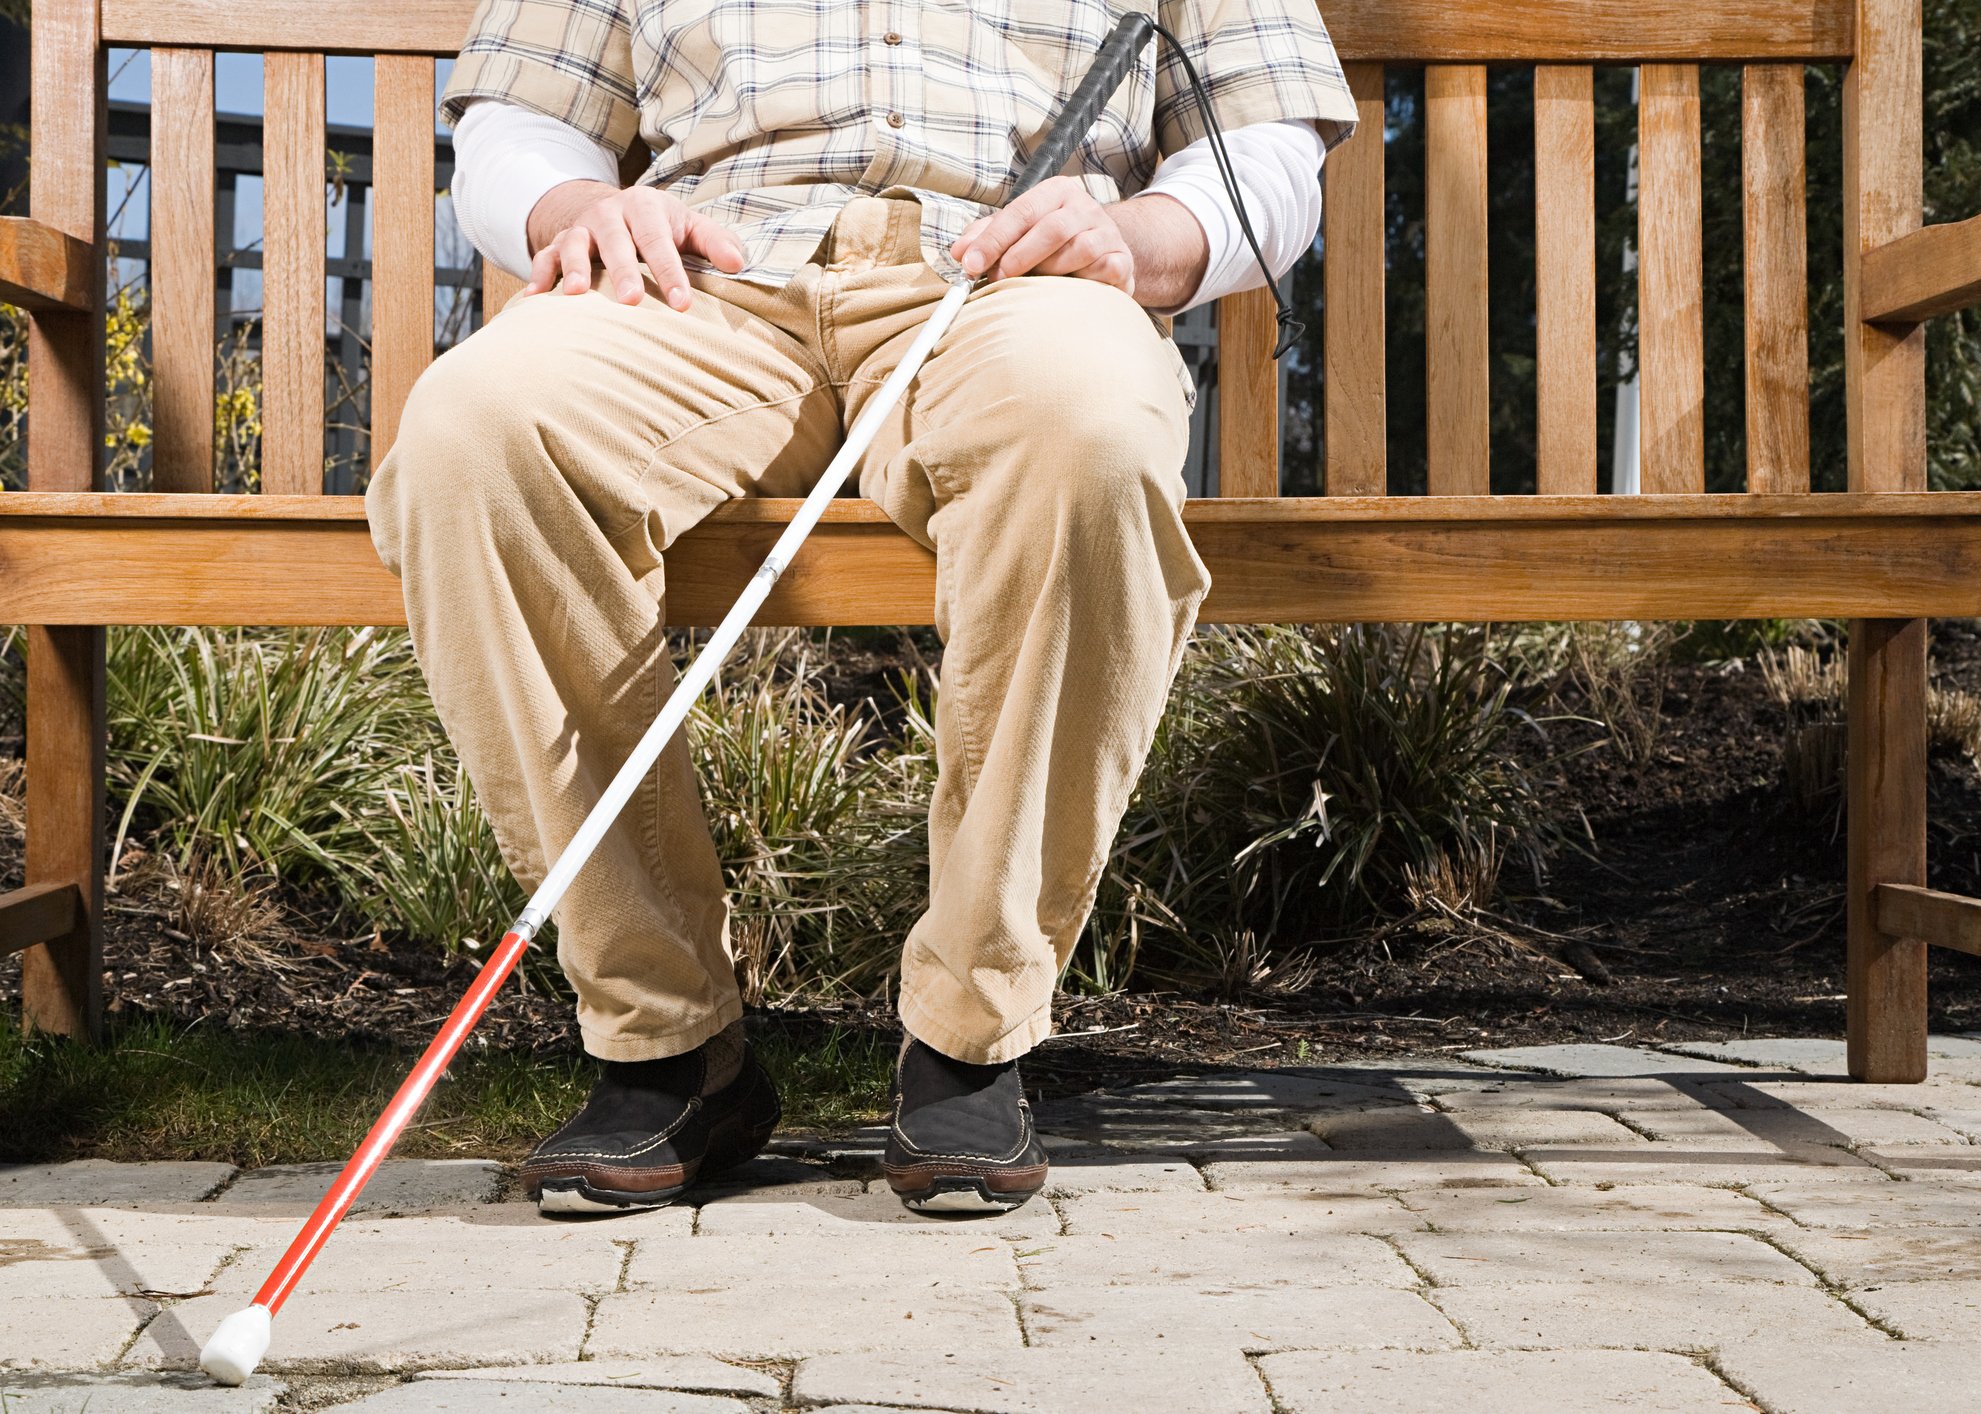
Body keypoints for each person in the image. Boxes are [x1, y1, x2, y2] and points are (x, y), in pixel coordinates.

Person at [367, 0, 1355, 1217]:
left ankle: (969, 1038)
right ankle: (669, 1044)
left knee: (1089, 435)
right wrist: (579, 208)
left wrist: (1135, 232)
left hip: (1011, 284)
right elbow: (524, 119)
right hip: (702, 280)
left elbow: (1266, 156)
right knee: (473, 436)